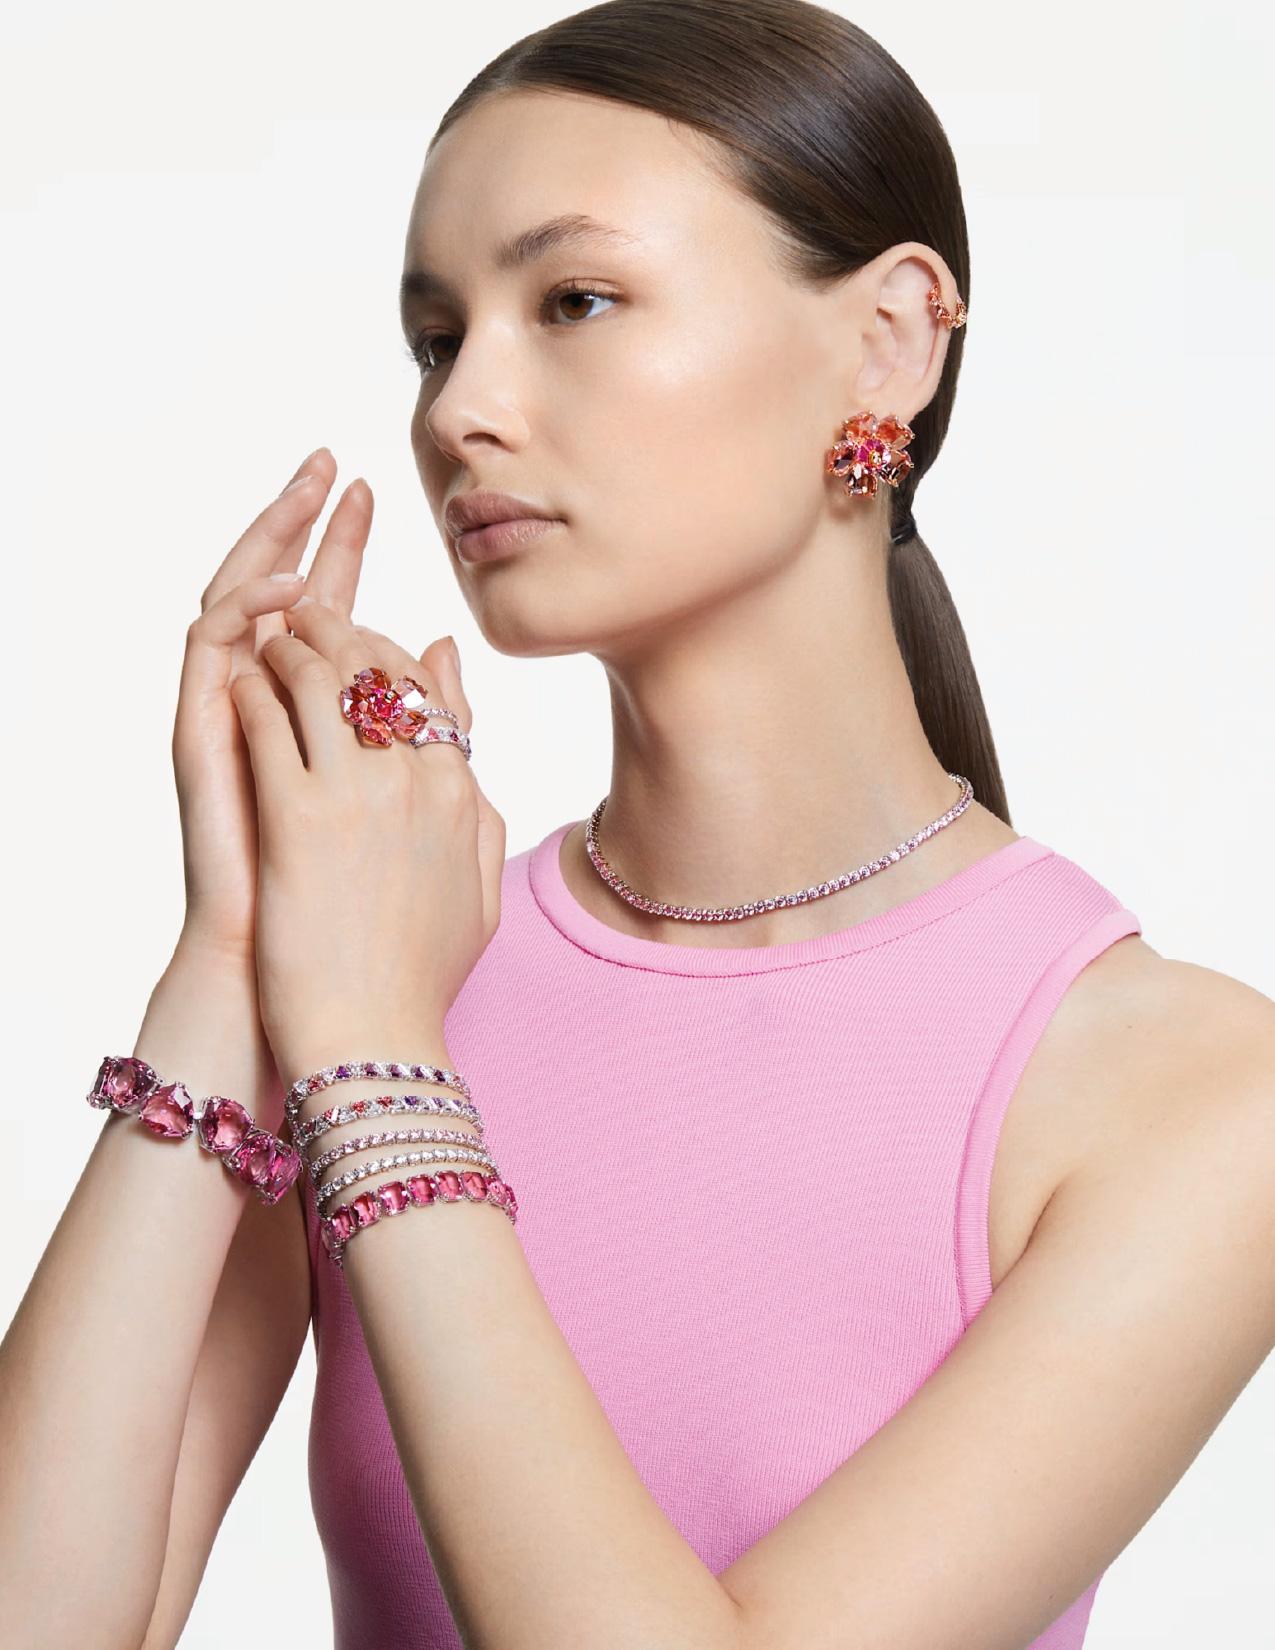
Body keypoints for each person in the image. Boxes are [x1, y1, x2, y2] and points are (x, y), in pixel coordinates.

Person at [4, 2, 1273, 1648]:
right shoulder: (383, 953)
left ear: (890, 340)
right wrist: (235, 951)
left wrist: (379, 1062)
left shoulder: (1188, 1092)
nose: (461, 409)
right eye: (437, 337)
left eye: (575, 301)